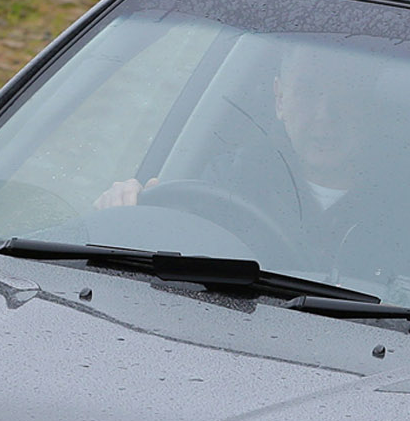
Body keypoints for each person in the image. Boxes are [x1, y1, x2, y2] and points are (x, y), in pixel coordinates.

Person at [93, 41, 379, 263]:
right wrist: (120, 217)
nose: (324, 115)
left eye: (344, 93)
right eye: (306, 91)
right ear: (280, 99)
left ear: (370, 102)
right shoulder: (228, 181)